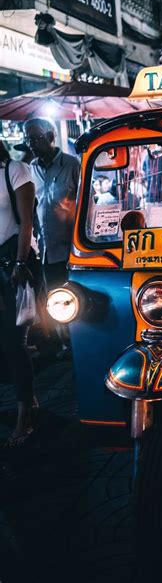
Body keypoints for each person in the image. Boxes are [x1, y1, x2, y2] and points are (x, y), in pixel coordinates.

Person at [25, 117, 80, 357]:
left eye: (35, 138)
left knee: (75, 297)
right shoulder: (31, 168)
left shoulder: (72, 164)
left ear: (50, 137)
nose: (31, 144)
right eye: (28, 140)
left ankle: (78, 341)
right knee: (55, 298)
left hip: (71, 246)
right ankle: (66, 343)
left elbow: (86, 203)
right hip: (46, 248)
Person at [0, 141, 37, 446]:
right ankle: (28, 398)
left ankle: (25, 415)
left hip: (15, 261)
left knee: (15, 341)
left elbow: (26, 222)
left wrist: (21, 262)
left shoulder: (15, 169)